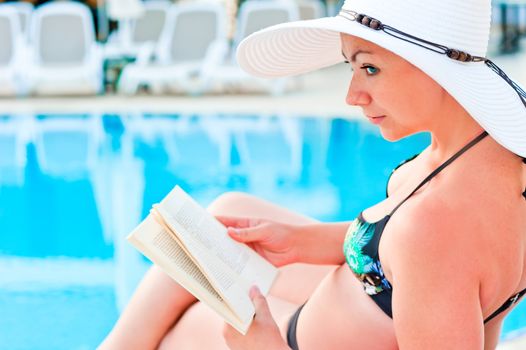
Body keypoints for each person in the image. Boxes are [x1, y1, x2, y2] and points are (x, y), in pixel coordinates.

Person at [100, 0, 526, 349]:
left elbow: (423, 252)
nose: (351, 95)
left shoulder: (433, 231)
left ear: (435, 67)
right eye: (350, 67)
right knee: (222, 217)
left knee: (185, 324)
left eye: (370, 68)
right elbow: (397, 257)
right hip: (352, 304)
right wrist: (300, 242)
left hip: (294, 340)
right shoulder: (490, 156)